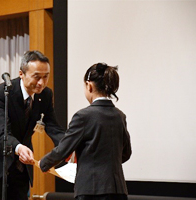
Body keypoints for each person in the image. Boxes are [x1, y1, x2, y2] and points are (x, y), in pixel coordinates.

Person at [0, 50, 64, 200]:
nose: (42, 83)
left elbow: (53, 126)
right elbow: (1, 130)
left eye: (46, 77)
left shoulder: (45, 95)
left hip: (20, 168)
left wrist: (68, 147)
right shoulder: (2, 92)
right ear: (21, 73)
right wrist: (18, 147)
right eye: (37, 77)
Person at [39, 63, 132, 200]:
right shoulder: (120, 116)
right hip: (118, 190)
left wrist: (44, 163)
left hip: (90, 190)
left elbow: (63, 149)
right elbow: (126, 153)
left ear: (89, 85)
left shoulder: (83, 116)